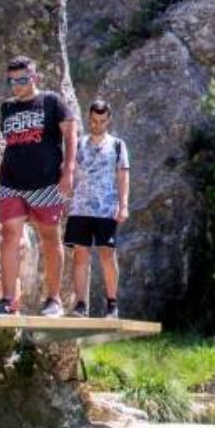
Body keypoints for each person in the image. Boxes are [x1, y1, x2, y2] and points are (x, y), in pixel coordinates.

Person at [0, 57, 76, 316]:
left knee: (49, 236)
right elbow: (12, 142)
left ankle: (54, 299)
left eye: (22, 80)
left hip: (46, 182)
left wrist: (68, 171)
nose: (16, 85)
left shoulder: (51, 102)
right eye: (12, 80)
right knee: (9, 235)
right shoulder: (7, 107)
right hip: (11, 181)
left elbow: (71, 135)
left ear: (34, 77)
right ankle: (7, 301)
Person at [65, 99, 130, 318]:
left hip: (107, 208)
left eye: (102, 120)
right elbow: (70, 172)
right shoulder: (80, 143)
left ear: (108, 119)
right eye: (94, 120)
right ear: (88, 117)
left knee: (107, 254)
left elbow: (123, 176)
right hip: (80, 207)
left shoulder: (118, 145)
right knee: (80, 255)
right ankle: (81, 304)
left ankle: (112, 304)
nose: (98, 124)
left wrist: (124, 205)